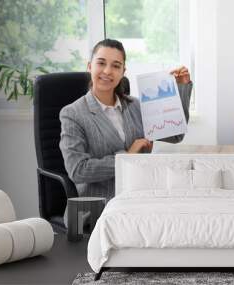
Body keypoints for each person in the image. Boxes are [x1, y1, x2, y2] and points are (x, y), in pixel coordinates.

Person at [59, 39, 193, 214]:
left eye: (116, 66)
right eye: (101, 63)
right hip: (100, 208)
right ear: (90, 66)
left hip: (140, 199)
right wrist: (127, 156)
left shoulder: (136, 106)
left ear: (123, 72)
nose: (107, 71)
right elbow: (78, 170)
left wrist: (182, 87)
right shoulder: (73, 113)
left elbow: (175, 135)